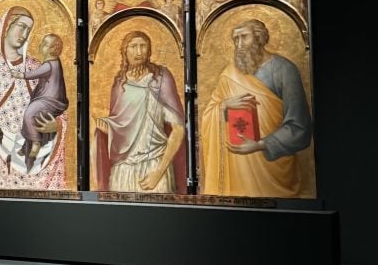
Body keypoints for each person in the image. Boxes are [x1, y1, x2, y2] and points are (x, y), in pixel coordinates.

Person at [200, 18, 313, 198]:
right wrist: (223, 107)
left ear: (259, 38)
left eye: (244, 37)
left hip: (273, 171)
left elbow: (300, 127)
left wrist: (261, 145)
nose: (238, 44)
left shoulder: (284, 69)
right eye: (235, 39)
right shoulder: (229, 74)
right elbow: (208, 116)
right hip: (237, 170)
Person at [0, 6, 67, 189]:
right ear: (5, 28)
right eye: (21, 26)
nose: (24, 33)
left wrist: (57, 125)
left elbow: (54, 103)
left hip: (35, 150)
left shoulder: (36, 66)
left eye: (28, 29)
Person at [95, 31, 186, 193]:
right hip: (124, 168)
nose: (139, 52)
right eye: (133, 46)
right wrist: (99, 124)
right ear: (125, 51)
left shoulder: (160, 78)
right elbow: (120, 127)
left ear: (149, 50)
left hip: (154, 164)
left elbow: (178, 129)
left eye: (143, 46)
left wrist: (159, 172)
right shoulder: (120, 83)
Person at [11, 34, 69, 173]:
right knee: (32, 117)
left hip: (50, 101)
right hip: (45, 99)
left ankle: (36, 142)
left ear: (52, 49)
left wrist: (20, 75)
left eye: (45, 43)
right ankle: (27, 146)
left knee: (30, 113)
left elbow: (35, 73)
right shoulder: (52, 62)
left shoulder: (50, 64)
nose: (41, 45)